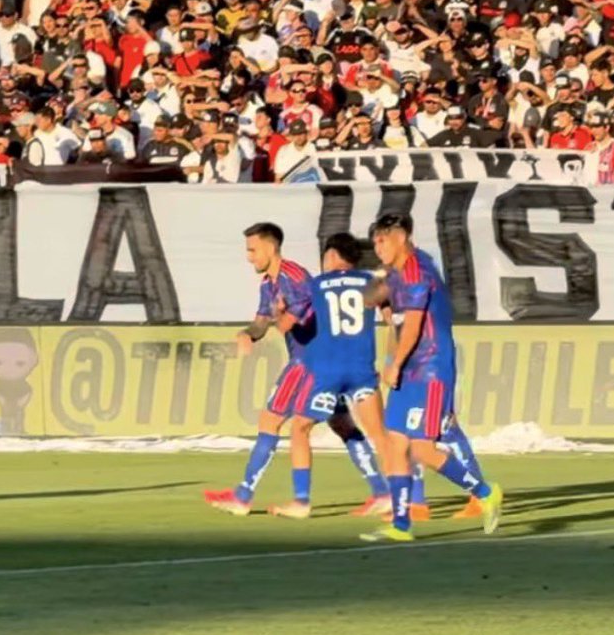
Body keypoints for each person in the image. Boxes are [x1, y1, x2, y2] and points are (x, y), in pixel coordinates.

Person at [361, 213, 502, 543]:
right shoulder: (395, 272)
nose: (377, 248)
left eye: (382, 240)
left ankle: (485, 492)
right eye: (375, 242)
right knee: (396, 443)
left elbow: (412, 325)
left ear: (402, 237)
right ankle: (401, 525)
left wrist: (393, 363)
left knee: (422, 449)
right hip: (411, 368)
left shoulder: (415, 270)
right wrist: (382, 282)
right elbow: (370, 298)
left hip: (430, 369)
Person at [265, 232, 391, 519]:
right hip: (362, 369)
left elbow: (286, 325)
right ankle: (393, 495)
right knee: (376, 433)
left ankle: (301, 501)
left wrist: (278, 312)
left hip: (329, 372)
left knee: (300, 428)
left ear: (332, 255)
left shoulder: (317, 285)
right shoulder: (370, 282)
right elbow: (389, 312)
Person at [203, 223, 314, 515]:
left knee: (269, 421)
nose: (249, 257)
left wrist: (279, 318)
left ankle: (243, 496)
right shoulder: (269, 284)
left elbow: (292, 320)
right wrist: (247, 334)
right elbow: (261, 323)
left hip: (309, 361)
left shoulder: (294, 276)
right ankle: (383, 492)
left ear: (270, 247)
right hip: (316, 361)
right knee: (347, 426)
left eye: (252, 250)